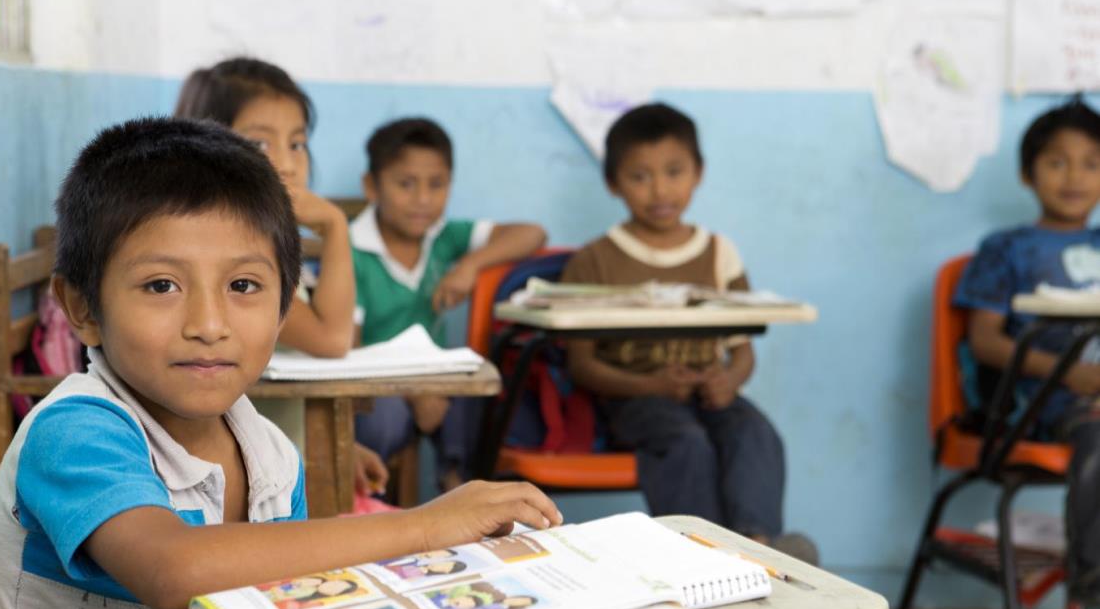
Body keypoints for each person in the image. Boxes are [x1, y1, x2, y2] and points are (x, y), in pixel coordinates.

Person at [0, 116, 561, 609]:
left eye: (245, 287)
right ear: (82, 305)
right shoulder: (76, 431)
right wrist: (426, 525)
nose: (209, 323)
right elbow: (175, 568)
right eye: (162, 285)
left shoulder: (270, 454)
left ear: (286, 304)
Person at [561, 103, 809, 559]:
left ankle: (757, 551)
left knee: (754, 433)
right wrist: (650, 384)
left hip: (710, 393)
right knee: (686, 441)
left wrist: (728, 381)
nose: (660, 189)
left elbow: (742, 351)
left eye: (674, 171)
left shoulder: (719, 253)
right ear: (613, 183)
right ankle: (700, 557)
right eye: (640, 176)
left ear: (698, 173)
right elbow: (582, 365)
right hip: (633, 400)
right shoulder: (593, 261)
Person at [176, 56, 388, 498]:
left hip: (274, 454)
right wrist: (333, 224)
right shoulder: (232, 263)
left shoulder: (263, 244)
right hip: (241, 478)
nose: (288, 165)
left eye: (297, 144)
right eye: (260, 145)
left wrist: (343, 446)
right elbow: (333, 339)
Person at [954, 96, 1100, 609]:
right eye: (1057, 162)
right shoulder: (1006, 250)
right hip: (1051, 405)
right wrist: (1067, 373)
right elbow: (986, 342)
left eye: (1092, 163)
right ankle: (1092, 600)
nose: (1074, 177)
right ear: (1027, 172)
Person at [351, 117, 547, 488]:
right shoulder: (352, 250)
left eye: (436, 184)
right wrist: (410, 391)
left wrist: (471, 265)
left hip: (434, 378)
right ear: (371, 186)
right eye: (406, 184)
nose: (423, 199)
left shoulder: (441, 236)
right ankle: (374, 499)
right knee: (383, 419)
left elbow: (532, 233)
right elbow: (349, 349)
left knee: (478, 389)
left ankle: (460, 486)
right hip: (374, 386)